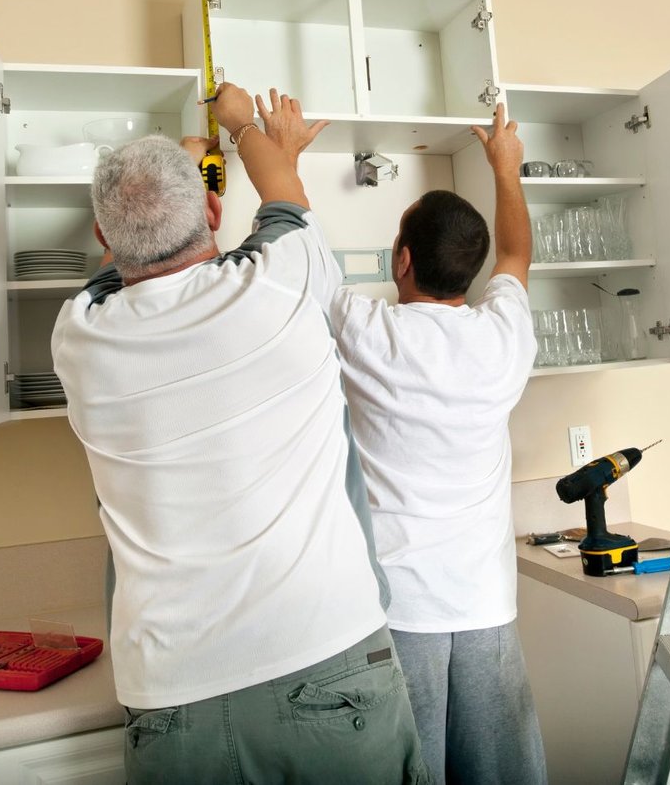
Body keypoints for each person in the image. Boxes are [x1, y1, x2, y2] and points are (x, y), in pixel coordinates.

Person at [50, 83, 428, 785]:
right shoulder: (284, 284)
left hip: (173, 697)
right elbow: (282, 193)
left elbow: (115, 278)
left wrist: (187, 163)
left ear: (103, 238)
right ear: (215, 211)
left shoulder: (78, 339)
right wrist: (242, 124)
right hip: (327, 657)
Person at [326, 103, 546, 785]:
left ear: (402, 258)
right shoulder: (503, 333)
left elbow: (302, 263)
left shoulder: (368, 333)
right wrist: (505, 168)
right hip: (486, 605)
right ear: (472, 269)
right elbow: (516, 251)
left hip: (399, 612)